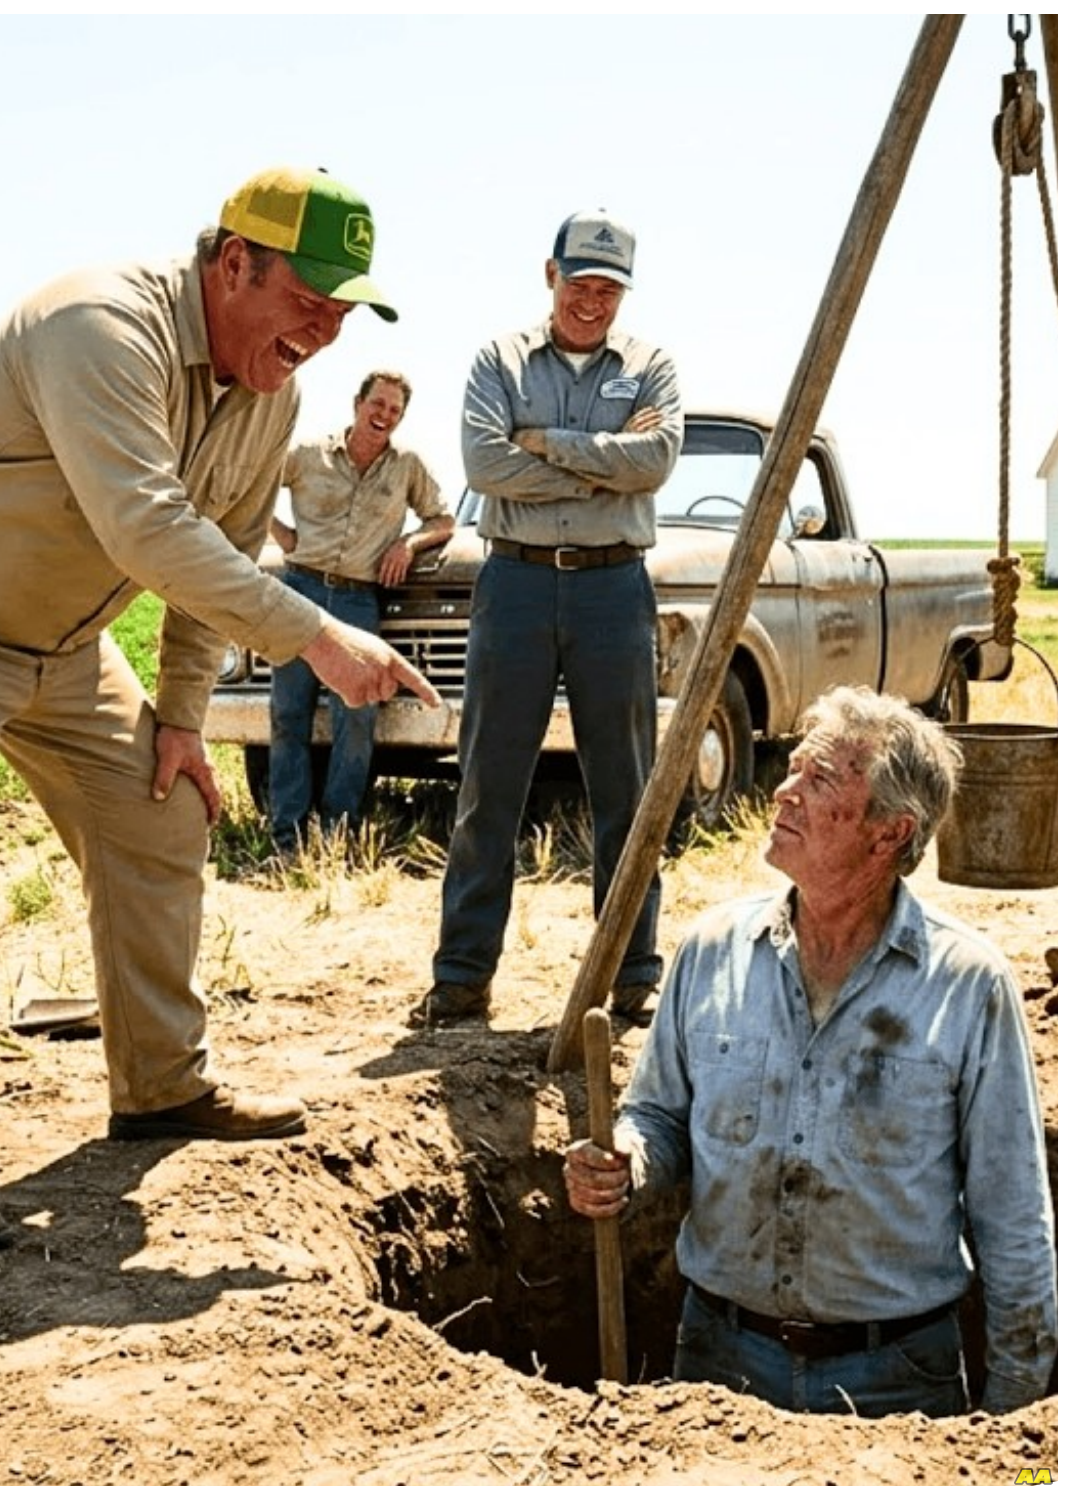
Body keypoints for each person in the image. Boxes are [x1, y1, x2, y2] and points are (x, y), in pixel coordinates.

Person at [0, 165, 440, 1257]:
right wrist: (317, 636)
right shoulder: (99, 326)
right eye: (307, 305)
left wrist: (183, 716)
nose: (321, 337)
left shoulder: (269, 398)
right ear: (234, 263)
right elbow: (148, 528)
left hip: (61, 640)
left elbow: (221, 558)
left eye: (341, 316)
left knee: (162, 809)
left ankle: (159, 1087)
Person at [565, 686, 1057, 1418]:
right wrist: (626, 1160)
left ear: (892, 832)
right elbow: (659, 1117)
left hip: (895, 1388)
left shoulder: (966, 985)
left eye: (819, 779)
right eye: (793, 768)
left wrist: (1015, 1423)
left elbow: (1012, 1219)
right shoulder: (710, 952)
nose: (782, 792)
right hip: (715, 1370)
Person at [411, 208, 683, 1029]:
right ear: (550, 276)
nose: (592, 302)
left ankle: (632, 973)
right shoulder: (498, 360)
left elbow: (658, 461)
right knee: (489, 783)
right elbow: (483, 463)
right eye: (580, 283)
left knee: (625, 790)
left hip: (613, 590)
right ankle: (462, 978)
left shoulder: (652, 366)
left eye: (609, 288)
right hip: (516, 586)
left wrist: (545, 445)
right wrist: (603, 467)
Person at [266, 371, 454, 850]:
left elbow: (444, 518)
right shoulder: (309, 452)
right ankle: (286, 835)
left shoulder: (407, 464)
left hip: (357, 600)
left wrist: (409, 544)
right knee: (289, 714)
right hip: (299, 590)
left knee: (356, 718)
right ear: (357, 403)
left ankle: (338, 835)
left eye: (394, 410)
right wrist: (284, 538)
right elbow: (255, 482)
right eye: (378, 404)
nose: (383, 415)